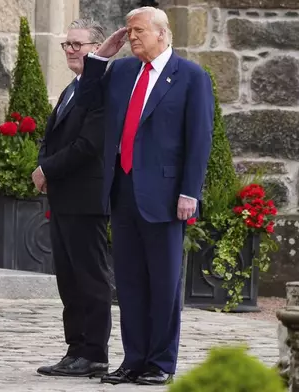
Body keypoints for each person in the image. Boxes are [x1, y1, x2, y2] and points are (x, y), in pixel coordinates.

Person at [75, 6, 214, 386]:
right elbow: (86, 98)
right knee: (131, 282)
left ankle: (160, 362)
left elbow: (199, 139)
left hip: (167, 196)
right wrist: (101, 55)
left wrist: (190, 191)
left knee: (164, 283)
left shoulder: (190, 77)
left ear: (162, 33)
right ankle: (133, 359)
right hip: (123, 191)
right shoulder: (120, 72)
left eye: (139, 31)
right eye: (130, 31)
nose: (133, 37)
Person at [32, 18, 112, 378]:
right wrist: (43, 165)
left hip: (87, 198)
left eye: (78, 45)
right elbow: (54, 138)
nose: (70, 50)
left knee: (90, 278)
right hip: (65, 197)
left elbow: (89, 145)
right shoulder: (71, 89)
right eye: (67, 44)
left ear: (98, 49)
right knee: (68, 278)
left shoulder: (101, 89)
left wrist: (47, 169)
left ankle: (94, 352)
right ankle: (75, 348)